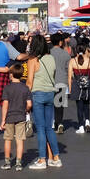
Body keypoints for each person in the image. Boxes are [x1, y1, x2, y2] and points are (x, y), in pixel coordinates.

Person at [27, 35, 62, 169]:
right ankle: (56, 158)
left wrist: (26, 98)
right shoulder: (51, 58)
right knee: (49, 127)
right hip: (50, 93)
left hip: (38, 93)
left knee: (40, 128)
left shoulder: (33, 60)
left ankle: (42, 159)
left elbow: (29, 81)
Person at [0, 64, 31, 170]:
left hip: (9, 117)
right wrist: (26, 110)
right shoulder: (25, 88)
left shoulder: (7, 88)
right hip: (21, 116)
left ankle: (7, 162)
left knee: (8, 139)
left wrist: (3, 119)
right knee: (20, 140)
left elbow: (5, 104)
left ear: (12, 75)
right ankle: (18, 163)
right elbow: (29, 104)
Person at [69, 41, 90, 133]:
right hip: (87, 84)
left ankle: (81, 126)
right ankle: (87, 122)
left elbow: (69, 77)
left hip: (77, 84)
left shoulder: (73, 61)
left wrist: (70, 88)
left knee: (79, 106)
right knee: (86, 105)